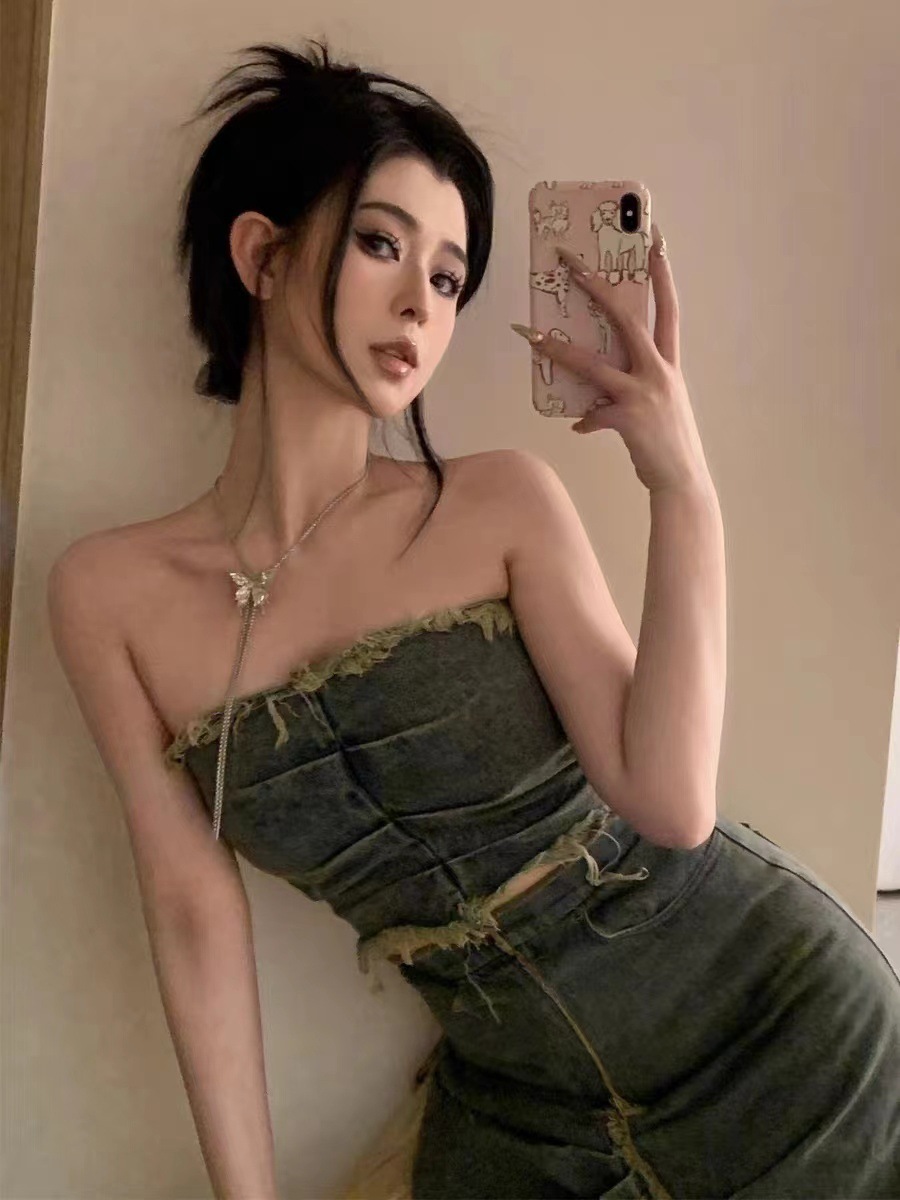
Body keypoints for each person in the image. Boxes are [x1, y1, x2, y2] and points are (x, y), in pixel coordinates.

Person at [47, 38, 900, 1200]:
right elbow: (193, 912)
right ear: (262, 254)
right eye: (381, 243)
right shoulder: (107, 594)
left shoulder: (498, 504)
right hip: (524, 1108)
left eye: (450, 278)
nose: (420, 303)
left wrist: (681, 484)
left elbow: (670, 803)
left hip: (778, 1032)